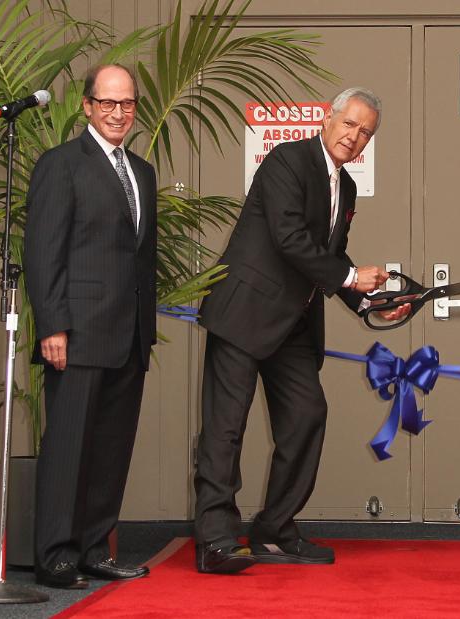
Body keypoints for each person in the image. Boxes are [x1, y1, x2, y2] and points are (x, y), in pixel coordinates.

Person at [192, 87, 409, 574]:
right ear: (328, 120)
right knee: (225, 429)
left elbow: (329, 260)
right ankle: (216, 540)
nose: (354, 137)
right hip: (244, 313)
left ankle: (274, 531)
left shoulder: (346, 188)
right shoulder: (287, 161)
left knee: (307, 415)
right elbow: (289, 238)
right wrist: (352, 278)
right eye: (349, 124)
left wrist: (370, 302)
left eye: (366, 133)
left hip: (293, 322)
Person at [24, 64, 157, 589]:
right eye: (108, 103)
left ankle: (96, 549)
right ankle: (56, 555)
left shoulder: (142, 172)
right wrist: (52, 324)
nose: (118, 113)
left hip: (128, 336)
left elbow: (138, 257)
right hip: (75, 335)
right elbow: (43, 251)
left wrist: (144, 327)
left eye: (127, 104)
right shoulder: (61, 165)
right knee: (68, 450)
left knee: (110, 450)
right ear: (86, 106)